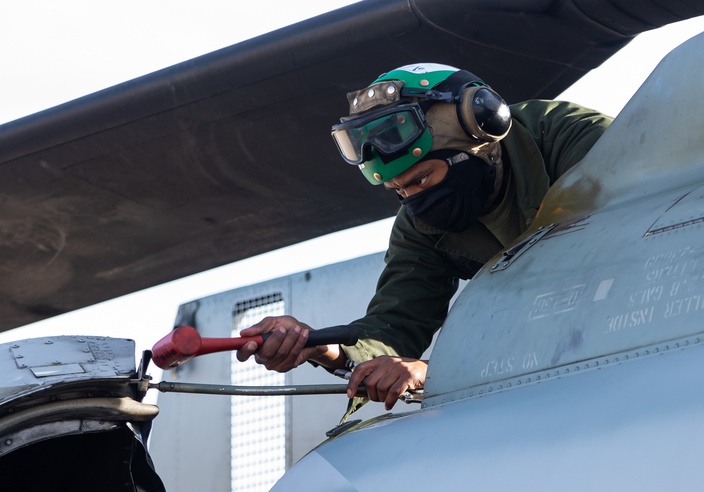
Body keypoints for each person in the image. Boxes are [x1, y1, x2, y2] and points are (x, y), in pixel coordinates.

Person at [236, 63, 612, 413]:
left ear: (480, 137)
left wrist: (434, 370)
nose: (415, 202)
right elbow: (394, 327)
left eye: (420, 180)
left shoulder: (571, 140)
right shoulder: (420, 224)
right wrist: (321, 347)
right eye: (399, 191)